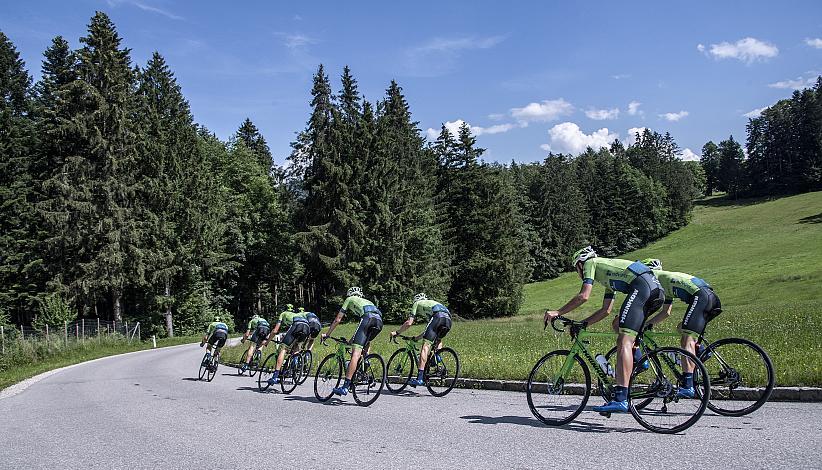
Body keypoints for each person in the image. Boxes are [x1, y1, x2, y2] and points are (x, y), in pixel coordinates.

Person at [544, 246, 664, 413]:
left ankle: (621, 399)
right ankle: (639, 359)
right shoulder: (609, 273)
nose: (579, 273)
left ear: (580, 264)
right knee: (618, 325)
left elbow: (584, 296)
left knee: (623, 340)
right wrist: (583, 323)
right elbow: (605, 310)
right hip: (655, 291)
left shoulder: (590, 263)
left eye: (576, 269)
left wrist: (557, 312)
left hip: (643, 288)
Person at [641, 258, 722, 398]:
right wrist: (648, 324)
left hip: (701, 297)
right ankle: (701, 352)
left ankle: (688, 386)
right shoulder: (666, 279)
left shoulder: (656, 279)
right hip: (710, 296)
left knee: (686, 340)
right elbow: (666, 312)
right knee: (682, 327)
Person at [322, 287, 383, 396]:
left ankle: (345, 387)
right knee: (366, 343)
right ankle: (365, 362)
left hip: (367, 318)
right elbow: (361, 330)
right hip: (379, 322)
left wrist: (327, 334)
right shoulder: (368, 301)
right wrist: (351, 341)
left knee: (355, 354)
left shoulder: (349, 299)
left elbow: (338, 319)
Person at [390, 293, 452, 387]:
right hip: (448, 319)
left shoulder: (417, 303)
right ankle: (438, 361)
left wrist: (397, 332)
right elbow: (429, 331)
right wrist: (416, 338)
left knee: (425, 347)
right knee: (437, 340)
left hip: (438, 317)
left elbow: (409, 323)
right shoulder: (431, 304)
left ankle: (419, 379)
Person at [265, 304, 310, 384]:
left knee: (283, 349)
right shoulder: (296, 314)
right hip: (306, 327)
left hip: (297, 325)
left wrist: (267, 341)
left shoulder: (283, 314)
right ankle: (293, 369)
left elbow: (275, 331)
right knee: (296, 349)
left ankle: (275, 376)